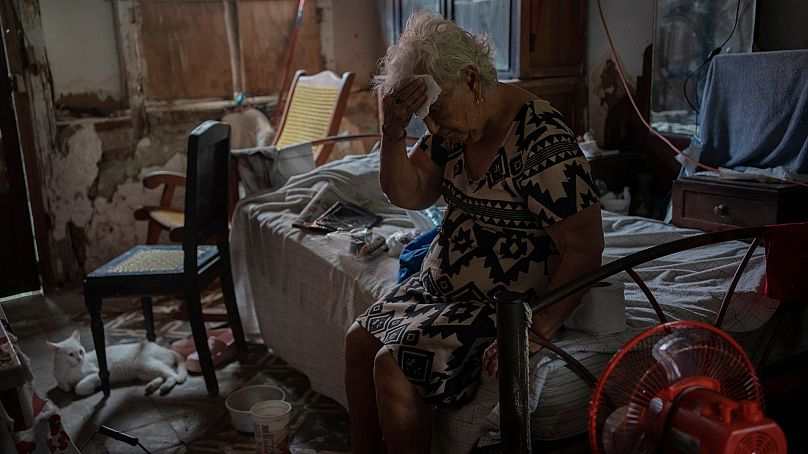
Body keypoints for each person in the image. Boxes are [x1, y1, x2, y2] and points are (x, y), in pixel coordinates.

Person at [344, 10, 604, 454]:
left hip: (502, 304)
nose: (435, 130)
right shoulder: (454, 125)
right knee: (358, 341)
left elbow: (585, 248)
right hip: (440, 284)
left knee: (393, 365)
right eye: (427, 120)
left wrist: (534, 332)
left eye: (438, 115)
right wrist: (391, 132)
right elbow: (411, 192)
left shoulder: (541, 139)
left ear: (471, 79)